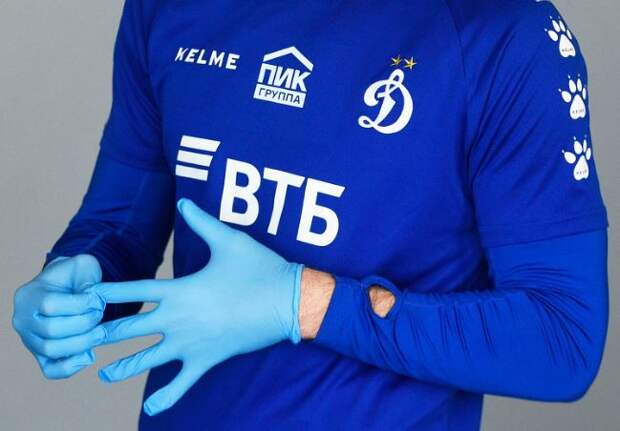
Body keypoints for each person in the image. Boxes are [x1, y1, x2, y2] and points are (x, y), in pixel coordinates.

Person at [12, 0, 609, 429]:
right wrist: (80, 277)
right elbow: (120, 221)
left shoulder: (507, 33)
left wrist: (305, 303)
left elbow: (563, 339)